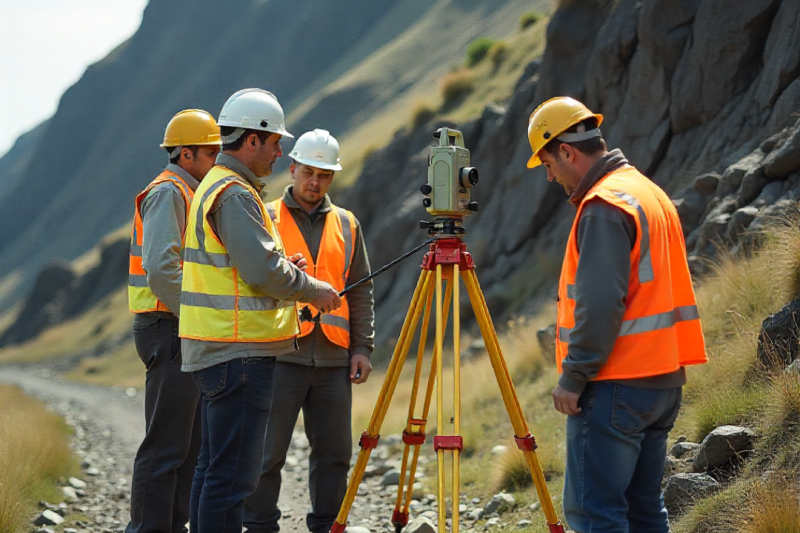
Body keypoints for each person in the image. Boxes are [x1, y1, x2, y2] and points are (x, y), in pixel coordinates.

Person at [526, 96, 707, 532]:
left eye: (548, 164)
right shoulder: (647, 192)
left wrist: (574, 376)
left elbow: (601, 304)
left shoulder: (603, 206)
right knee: (644, 511)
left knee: (595, 514)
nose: (550, 176)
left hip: (615, 383)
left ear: (566, 151)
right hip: (662, 379)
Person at [178, 89, 342, 533]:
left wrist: (284, 270)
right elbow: (262, 272)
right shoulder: (234, 193)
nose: (279, 152)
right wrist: (312, 289)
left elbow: (247, 266)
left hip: (219, 350)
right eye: (274, 143)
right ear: (252, 140)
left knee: (212, 471)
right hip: (238, 353)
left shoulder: (218, 184)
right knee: (232, 479)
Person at [243, 129, 375, 533]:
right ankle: (260, 525)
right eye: (309, 172)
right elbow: (250, 281)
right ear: (293, 167)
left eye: (324, 175)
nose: (315, 182)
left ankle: (326, 527)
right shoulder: (264, 216)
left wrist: (362, 348)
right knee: (266, 454)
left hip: (335, 359)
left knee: (335, 453)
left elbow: (362, 290)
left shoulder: (348, 225)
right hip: (280, 354)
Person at [126, 109, 221, 533]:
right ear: (186, 154)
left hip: (181, 329)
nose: (219, 158)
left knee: (187, 446)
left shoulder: (189, 191)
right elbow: (163, 270)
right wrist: (201, 316)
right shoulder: (169, 191)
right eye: (212, 151)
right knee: (165, 447)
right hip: (169, 329)